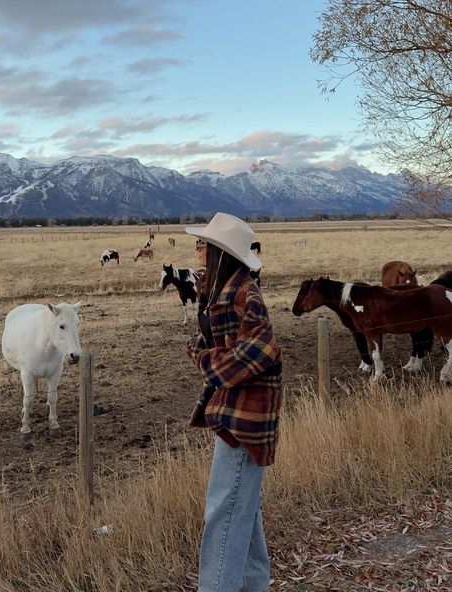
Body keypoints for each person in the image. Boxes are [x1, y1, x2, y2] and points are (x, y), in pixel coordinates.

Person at [186, 212, 283, 592]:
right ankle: (254, 585)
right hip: (233, 416)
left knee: (223, 514)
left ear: (218, 252)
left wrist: (200, 355)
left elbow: (258, 353)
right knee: (243, 511)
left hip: (245, 422)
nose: (197, 250)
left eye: (202, 245)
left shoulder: (245, 295)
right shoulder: (221, 291)